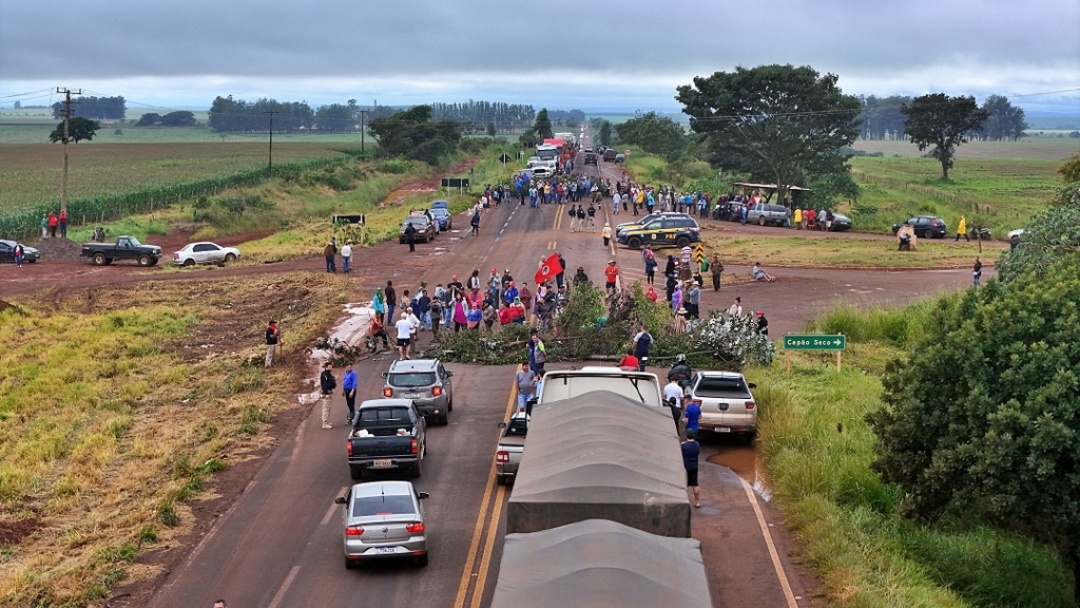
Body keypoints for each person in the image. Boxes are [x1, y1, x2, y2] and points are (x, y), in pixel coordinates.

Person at [681, 429, 702, 508]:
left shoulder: (683, 445)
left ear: (686, 436)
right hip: (694, 466)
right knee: (695, 484)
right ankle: (697, 502)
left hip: (685, 467)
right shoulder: (697, 444)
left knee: (684, 485)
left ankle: (684, 502)